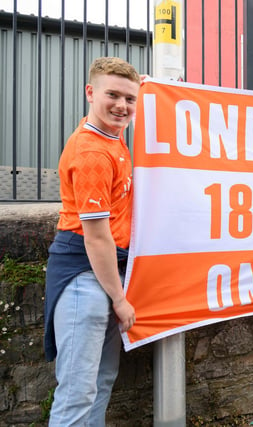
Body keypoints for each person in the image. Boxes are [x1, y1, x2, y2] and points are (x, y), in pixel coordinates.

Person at [44, 56, 140, 425]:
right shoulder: (93, 152)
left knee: (100, 381)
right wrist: (119, 299)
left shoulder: (110, 136)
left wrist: (147, 86)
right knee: (78, 392)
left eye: (130, 98)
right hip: (86, 273)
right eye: (112, 95)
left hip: (102, 271)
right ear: (90, 93)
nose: (121, 105)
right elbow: (96, 237)